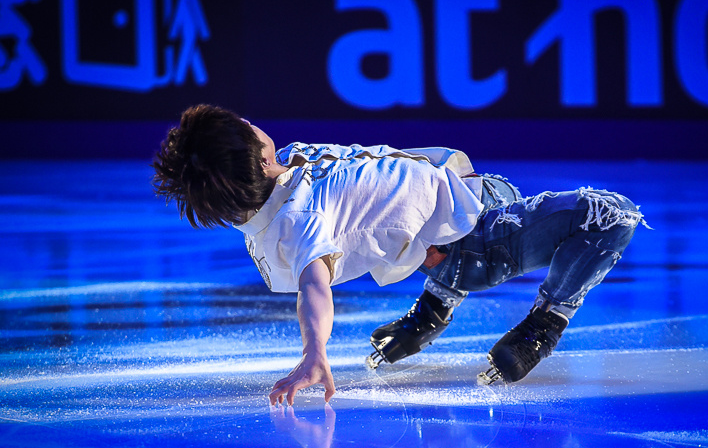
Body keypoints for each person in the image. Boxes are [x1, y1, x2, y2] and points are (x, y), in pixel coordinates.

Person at [152, 104, 647, 405]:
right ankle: (546, 324)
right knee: (613, 214)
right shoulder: (297, 221)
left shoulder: (278, 175)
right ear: (257, 158)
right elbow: (313, 286)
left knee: (472, 196)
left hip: (461, 211)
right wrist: (313, 353)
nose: (246, 119)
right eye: (242, 127)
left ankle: (432, 309)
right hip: (477, 238)